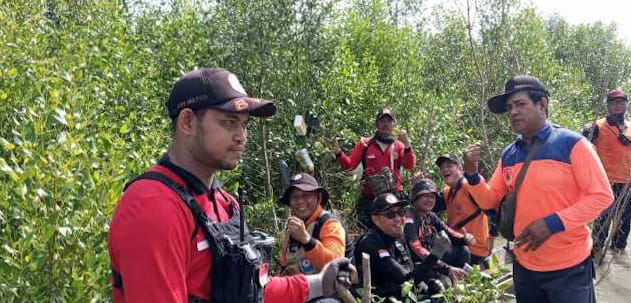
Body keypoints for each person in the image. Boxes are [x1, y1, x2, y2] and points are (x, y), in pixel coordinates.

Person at [107, 67, 354, 303]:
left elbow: (251, 289)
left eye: (244, 124)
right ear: (187, 122)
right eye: (229, 122)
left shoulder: (225, 203)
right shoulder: (154, 207)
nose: (241, 136)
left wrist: (319, 283)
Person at [463, 75, 613, 303]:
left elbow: (601, 196)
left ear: (541, 104)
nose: (513, 112)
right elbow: (490, 200)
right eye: (509, 107)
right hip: (525, 267)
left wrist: (552, 223)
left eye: (520, 104)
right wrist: (472, 175)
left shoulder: (572, 144)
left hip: (569, 268)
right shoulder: (509, 154)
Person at [325, 108, 416, 228]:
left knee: (395, 232)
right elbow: (349, 166)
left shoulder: (399, 146)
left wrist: (407, 144)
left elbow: (410, 165)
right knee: (366, 230)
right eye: (382, 121)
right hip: (370, 197)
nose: (385, 124)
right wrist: (337, 151)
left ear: (394, 125)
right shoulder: (365, 144)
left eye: (389, 121)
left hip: (394, 197)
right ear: (376, 124)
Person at [352, 193, 451, 301]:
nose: (398, 219)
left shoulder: (397, 239)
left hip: (400, 295)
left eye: (401, 213)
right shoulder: (370, 243)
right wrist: (436, 253)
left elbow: (412, 273)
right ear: (376, 219)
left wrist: (428, 285)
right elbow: (405, 279)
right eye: (390, 215)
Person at [583, 88, 631, 257]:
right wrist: (585, 133)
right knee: (602, 219)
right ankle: (596, 251)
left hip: (626, 184)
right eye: (613, 102)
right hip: (604, 182)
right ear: (607, 107)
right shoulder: (597, 126)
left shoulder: (630, 127)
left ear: (626, 105)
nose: (617, 105)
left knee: (624, 222)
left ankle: (618, 251)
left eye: (620, 102)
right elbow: (581, 148)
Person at [404, 178, 471, 282]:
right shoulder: (409, 218)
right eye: (425, 196)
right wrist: (446, 268)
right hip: (419, 264)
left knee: (462, 250)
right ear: (415, 198)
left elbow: (449, 232)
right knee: (430, 272)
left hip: (434, 257)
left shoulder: (430, 216)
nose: (430, 200)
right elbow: (416, 249)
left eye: (432, 197)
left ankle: (463, 281)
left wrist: (465, 239)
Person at [278, 173, 346, 275]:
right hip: (296, 285)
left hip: (327, 288)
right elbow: (283, 261)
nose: (300, 201)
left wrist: (306, 240)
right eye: (294, 197)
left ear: (318, 198)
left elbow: (335, 263)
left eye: (306, 195)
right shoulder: (293, 224)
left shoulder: (330, 224)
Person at [435, 154, 493, 267]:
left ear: (460, 168)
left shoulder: (470, 186)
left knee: (435, 262)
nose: (445, 169)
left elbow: (493, 208)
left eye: (449, 166)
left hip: (474, 249)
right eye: (442, 168)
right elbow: (432, 206)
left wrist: (493, 237)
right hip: (458, 245)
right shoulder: (447, 192)